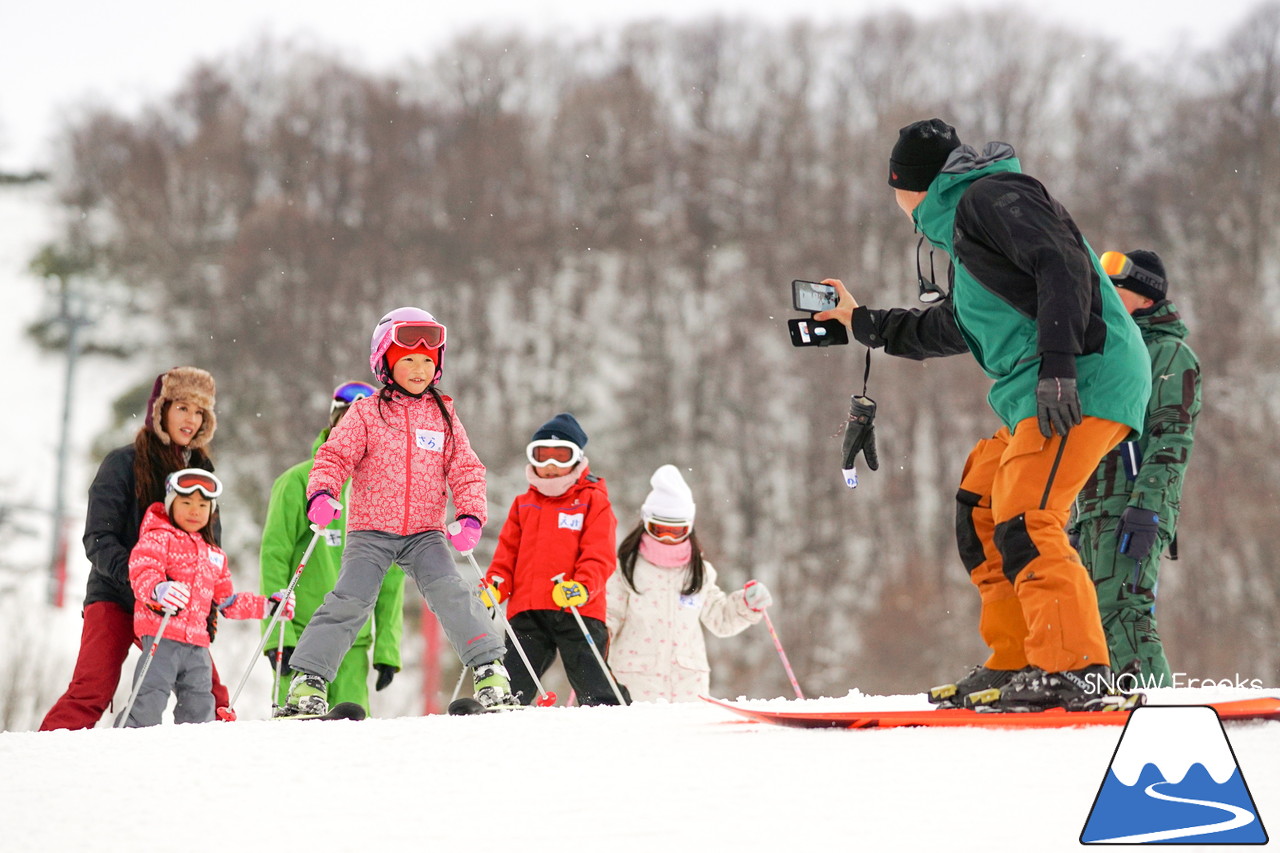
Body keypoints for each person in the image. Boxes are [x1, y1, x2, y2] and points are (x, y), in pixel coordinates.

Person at [815, 118, 1152, 711]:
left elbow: (1062, 265)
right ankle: (1019, 658)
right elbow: (952, 326)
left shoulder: (990, 196)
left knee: (1027, 515)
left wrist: (1058, 366)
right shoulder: (968, 240)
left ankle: (1077, 670)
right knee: (982, 502)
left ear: (908, 186)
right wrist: (859, 322)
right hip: (1045, 389)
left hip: (1086, 378)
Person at [279, 306, 511, 716]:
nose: (419, 369)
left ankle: (490, 670)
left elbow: (466, 468)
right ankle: (308, 680)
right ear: (385, 363)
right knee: (350, 599)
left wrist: (471, 516)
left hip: (426, 532)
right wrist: (322, 494)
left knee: (452, 593)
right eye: (408, 360)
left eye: (427, 361)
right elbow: (333, 457)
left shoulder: (444, 416)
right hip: (371, 530)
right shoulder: (366, 413)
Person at [40, 366, 236, 730]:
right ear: (160, 409)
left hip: (175, 607)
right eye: (182, 408)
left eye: (199, 412)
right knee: (91, 690)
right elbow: (98, 539)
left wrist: (205, 607)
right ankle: (43, 757)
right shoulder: (123, 463)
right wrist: (143, 579)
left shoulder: (202, 472)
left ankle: (225, 763)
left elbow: (210, 546)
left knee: (211, 695)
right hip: (115, 594)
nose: (191, 419)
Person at [1072, 250, 1201, 686]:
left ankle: (1160, 715)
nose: (1103, 296)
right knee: (1085, 618)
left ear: (1144, 299)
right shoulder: (1111, 352)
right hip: (1092, 509)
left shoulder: (1167, 353)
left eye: (1115, 289)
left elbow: (1171, 439)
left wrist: (1147, 507)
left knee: (1122, 612)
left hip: (1130, 507)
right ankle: (1110, 710)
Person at [259, 380, 405, 714]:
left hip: (354, 644)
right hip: (300, 641)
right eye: (347, 420)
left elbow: (392, 578)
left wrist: (387, 648)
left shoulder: (385, 492)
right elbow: (274, 558)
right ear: (333, 423)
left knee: (350, 740)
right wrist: (275, 637)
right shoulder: (297, 481)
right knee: (298, 731)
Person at [121, 470, 295, 726]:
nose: (195, 511)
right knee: (150, 697)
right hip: (162, 635)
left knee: (200, 703)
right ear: (170, 505)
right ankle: (129, 742)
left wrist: (268, 606)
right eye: (186, 503)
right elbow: (142, 571)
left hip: (197, 646)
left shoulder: (214, 554)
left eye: (203, 505)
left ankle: (193, 752)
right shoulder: (158, 537)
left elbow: (228, 602)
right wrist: (160, 589)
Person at [482, 412, 623, 705]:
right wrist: (496, 585)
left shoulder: (592, 500)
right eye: (542, 456)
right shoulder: (524, 504)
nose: (549, 466)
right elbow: (507, 554)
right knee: (515, 675)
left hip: (576, 607)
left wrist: (582, 586)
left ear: (576, 459)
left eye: (560, 457)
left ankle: (610, 711)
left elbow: (600, 554)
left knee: (590, 675)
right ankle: (503, 713)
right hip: (528, 609)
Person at [606, 464, 773, 702]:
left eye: (676, 531)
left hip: (688, 686)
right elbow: (608, 616)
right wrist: (595, 639)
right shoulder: (626, 569)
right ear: (646, 523)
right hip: (635, 683)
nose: (666, 538)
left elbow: (721, 619)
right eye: (659, 529)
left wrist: (746, 605)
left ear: (689, 528)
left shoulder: (699, 572)